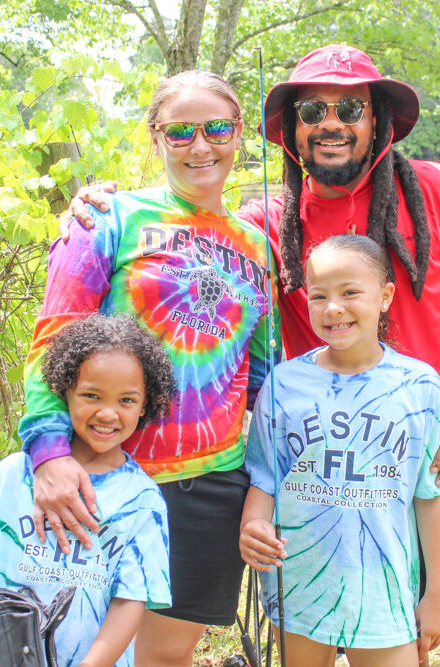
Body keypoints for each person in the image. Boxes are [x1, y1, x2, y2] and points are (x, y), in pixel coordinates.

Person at [65, 45, 440, 667]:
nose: (331, 122)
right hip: (335, 459)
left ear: (379, 122)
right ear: (291, 129)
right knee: (377, 624)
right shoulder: (269, 222)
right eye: (313, 109)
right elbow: (194, 227)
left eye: (350, 108)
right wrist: (102, 209)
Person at [23, 70, 277, 666]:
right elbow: (53, 339)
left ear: (239, 134)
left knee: (164, 657)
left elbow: (262, 375)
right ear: (155, 138)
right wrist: (50, 455)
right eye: (180, 131)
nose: (201, 145)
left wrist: (267, 487)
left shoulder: (257, 245)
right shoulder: (106, 219)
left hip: (210, 487)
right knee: (80, 648)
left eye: (217, 128)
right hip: (104, 477)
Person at [241, 235, 440, 667]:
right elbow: (266, 478)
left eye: (350, 292)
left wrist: (438, 596)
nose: (333, 308)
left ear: (385, 297)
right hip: (297, 584)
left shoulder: (421, 386)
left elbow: (431, 498)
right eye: (318, 296)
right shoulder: (283, 384)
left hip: (383, 592)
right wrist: (252, 524)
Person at [0, 314, 176, 667]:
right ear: (65, 390)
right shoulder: (13, 475)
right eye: (91, 395)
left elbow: (130, 600)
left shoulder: (143, 500)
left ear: (145, 405)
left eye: (126, 400)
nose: (108, 413)